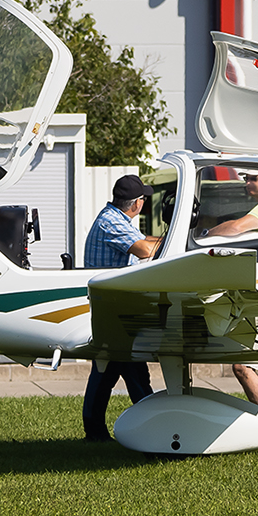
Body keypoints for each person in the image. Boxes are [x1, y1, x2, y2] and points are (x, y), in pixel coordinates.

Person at [81, 174, 163, 441]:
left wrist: (162, 238)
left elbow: (142, 239)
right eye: (143, 200)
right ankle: (154, 427)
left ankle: (95, 432)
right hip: (117, 311)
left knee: (106, 371)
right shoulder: (112, 223)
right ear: (136, 204)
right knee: (133, 370)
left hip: (111, 309)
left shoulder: (113, 218)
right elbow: (144, 250)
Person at [202, 171, 258, 415]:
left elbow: (235, 229)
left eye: (252, 178)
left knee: (241, 366)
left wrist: (205, 235)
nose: (246, 182)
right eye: (246, 178)